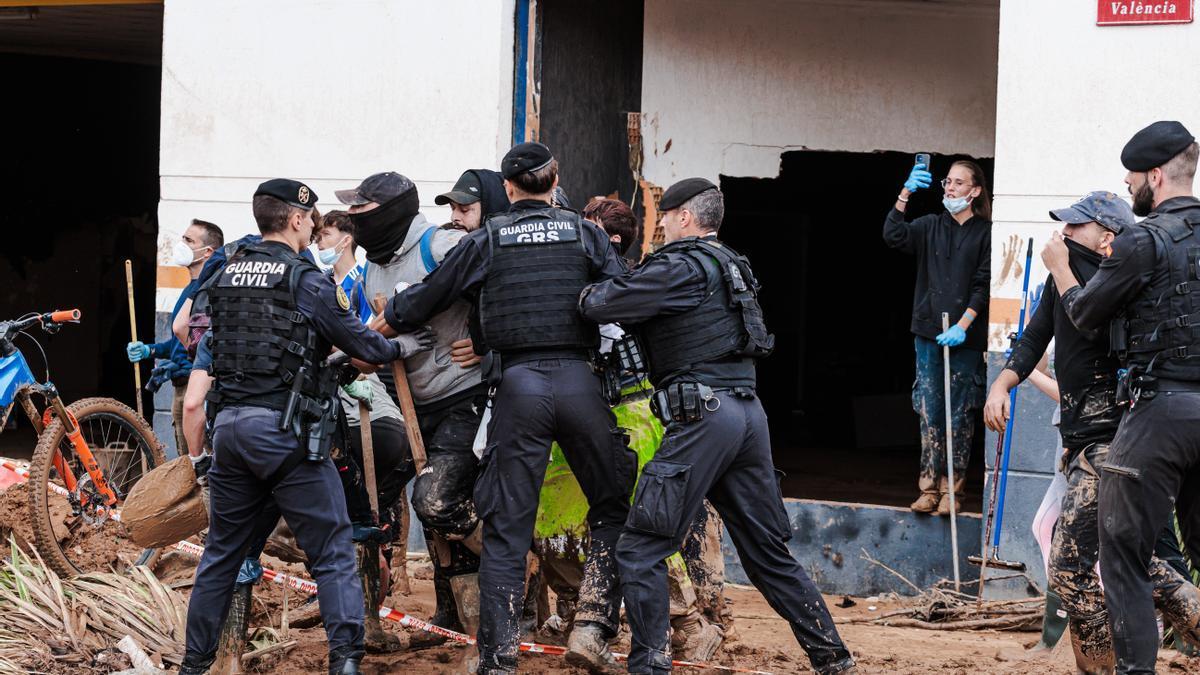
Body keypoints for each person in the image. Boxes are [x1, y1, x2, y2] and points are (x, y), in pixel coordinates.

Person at [376, 143, 636, 674]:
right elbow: (623, 295)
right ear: (555, 179)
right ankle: (592, 624)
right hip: (581, 384)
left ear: (509, 188)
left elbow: (427, 298)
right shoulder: (584, 232)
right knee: (613, 508)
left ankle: (497, 661)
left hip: (517, 390)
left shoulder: (489, 239)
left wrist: (377, 326)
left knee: (506, 531)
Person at [580, 178, 855, 675]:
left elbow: (599, 304)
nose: (660, 225)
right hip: (748, 415)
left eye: (665, 216)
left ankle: (648, 666)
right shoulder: (733, 264)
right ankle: (834, 660)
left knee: (640, 548)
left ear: (684, 217)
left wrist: (591, 274)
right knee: (768, 555)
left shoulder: (678, 265)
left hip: (703, 417)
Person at [179, 178, 435, 675]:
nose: (314, 227)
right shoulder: (304, 280)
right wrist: (402, 346)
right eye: (311, 218)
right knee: (333, 549)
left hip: (228, 431)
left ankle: (194, 666)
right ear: (295, 219)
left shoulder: (224, 274)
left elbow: (196, 340)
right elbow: (363, 342)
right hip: (285, 433)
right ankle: (344, 662)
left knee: (220, 556)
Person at [985, 191, 1200, 670]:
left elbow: (1094, 325)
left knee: (1071, 564)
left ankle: (1100, 665)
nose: (1062, 234)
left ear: (1107, 235)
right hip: (1082, 439)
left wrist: (1064, 273)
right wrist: (1002, 382)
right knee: (1121, 554)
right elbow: (1038, 333)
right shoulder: (1060, 281)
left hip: (1113, 439)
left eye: (1075, 226)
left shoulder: (1118, 281)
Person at [529, 196, 727, 664]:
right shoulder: (591, 280)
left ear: (611, 240)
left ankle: (688, 625)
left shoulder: (629, 285)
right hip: (586, 415)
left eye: (588, 231)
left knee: (644, 529)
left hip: (633, 414)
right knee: (556, 524)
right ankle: (595, 614)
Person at [1041, 121, 1200, 674]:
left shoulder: (1143, 239)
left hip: (1160, 416)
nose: (1130, 187)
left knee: (1124, 558)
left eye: (1134, 178)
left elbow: (1085, 313)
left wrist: (1061, 267)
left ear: (1155, 176)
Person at [340, 168, 507, 648]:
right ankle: (435, 620)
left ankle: (511, 568)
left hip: (463, 399)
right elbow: (368, 331)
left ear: (390, 211)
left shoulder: (444, 247)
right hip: (409, 404)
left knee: (436, 501)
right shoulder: (372, 265)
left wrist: (485, 343)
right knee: (369, 505)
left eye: (361, 210)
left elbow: (502, 294)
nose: (354, 219)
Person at [884, 159, 992, 514]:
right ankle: (928, 489)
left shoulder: (984, 233)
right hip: (928, 332)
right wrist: (906, 192)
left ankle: (953, 492)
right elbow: (893, 235)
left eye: (958, 183)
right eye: (947, 182)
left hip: (965, 337)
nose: (950, 188)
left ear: (974, 191)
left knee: (958, 414)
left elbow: (983, 283)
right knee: (929, 411)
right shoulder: (931, 225)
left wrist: (964, 324)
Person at [126, 219, 222, 456]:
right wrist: (151, 350)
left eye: (189, 241)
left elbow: (201, 341)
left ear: (208, 251)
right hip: (180, 384)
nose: (181, 244)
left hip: (197, 384)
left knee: (198, 462)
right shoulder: (190, 289)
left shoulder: (210, 290)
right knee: (185, 464)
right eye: (183, 238)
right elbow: (183, 340)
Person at [312, 210, 372, 322]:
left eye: (326, 234)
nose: (318, 241)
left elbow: (368, 333)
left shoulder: (363, 283)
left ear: (346, 241)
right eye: (318, 235)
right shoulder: (319, 278)